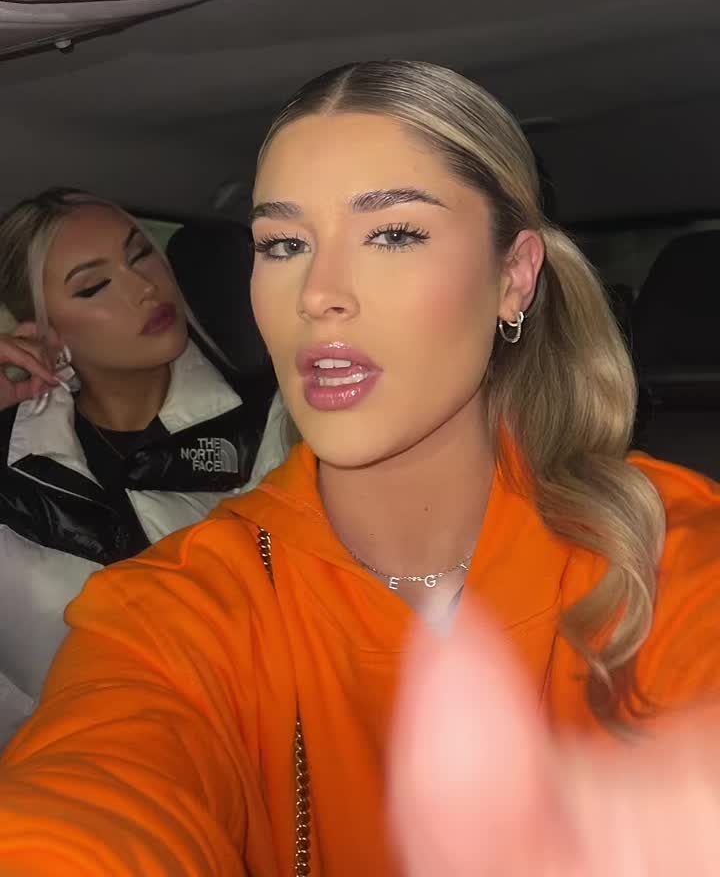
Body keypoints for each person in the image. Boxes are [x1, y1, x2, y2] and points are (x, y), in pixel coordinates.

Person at [0, 62, 720, 877]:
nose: (318, 294)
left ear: (513, 277)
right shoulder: (176, 610)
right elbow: (89, 793)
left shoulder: (664, 550)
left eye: (394, 234)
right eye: (284, 244)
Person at [0, 187, 283, 747]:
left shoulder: (275, 421)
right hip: (67, 776)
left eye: (141, 254)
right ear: (42, 331)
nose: (145, 288)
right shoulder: (12, 461)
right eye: (95, 286)